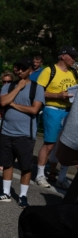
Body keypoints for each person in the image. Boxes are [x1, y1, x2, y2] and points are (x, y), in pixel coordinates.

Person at [0, 57, 44, 208]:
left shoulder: (37, 88)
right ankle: (6, 193)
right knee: (7, 163)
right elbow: (2, 102)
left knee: (25, 166)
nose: (19, 71)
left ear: (30, 70)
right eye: (17, 67)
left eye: (23, 68)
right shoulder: (9, 86)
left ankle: (23, 195)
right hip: (7, 132)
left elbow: (34, 109)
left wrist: (12, 103)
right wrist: (18, 88)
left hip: (25, 134)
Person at [35, 45, 78, 188]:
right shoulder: (49, 70)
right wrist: (58, 95)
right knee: (49, 144)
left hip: (70, 112)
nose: (74, 59)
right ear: (63, 56)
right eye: (72, 56)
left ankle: (62, 177)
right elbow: (38, 92)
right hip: (53, 109)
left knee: (67, 145)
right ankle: (40, 175)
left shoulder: (74, 72)